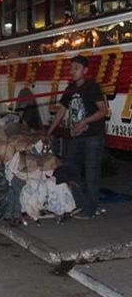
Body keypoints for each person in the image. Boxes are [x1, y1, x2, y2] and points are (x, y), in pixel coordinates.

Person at [47, 55, 108, 219]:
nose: (72, 71)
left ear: (85, 71)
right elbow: (61, 112)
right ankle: (81, 203)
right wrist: (48, 133)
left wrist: (84, 120)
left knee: (91, 171)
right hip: (77, 137)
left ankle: (91, 209)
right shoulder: (70, 89)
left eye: (76, 68)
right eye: (71, 68)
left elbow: (103, 111)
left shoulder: (92, 86)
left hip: (93, 135)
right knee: (69, 169)